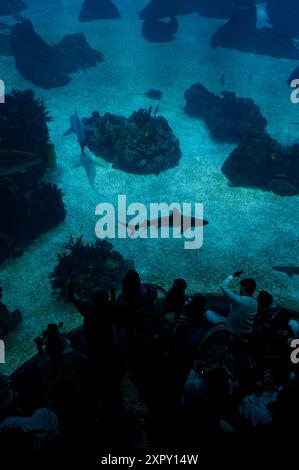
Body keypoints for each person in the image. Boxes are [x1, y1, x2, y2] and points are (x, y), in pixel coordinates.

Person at [205, 271, 258, 337]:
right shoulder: (255, 302)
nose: (240, 289)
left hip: (231, 330)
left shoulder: (238, 300)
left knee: (208, 313)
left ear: (244, 287)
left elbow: (223, 286)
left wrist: (233, 275)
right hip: (245, 332)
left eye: (241, 287)